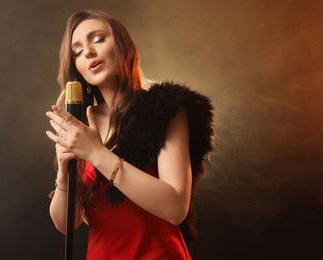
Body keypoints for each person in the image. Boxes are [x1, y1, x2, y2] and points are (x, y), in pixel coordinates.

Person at [45, 9, 214, 259]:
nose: (88, 52)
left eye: (98, 39)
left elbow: (175, 207)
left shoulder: (164, 108)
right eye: (77, 51)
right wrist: (63, 170)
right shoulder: (80, 125)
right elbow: (67, 224)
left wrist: (96, 153)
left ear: (123, 44)